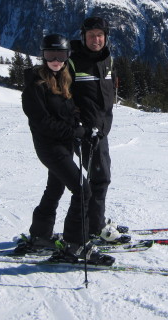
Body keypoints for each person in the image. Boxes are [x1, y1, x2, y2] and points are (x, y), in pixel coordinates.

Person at [16, 33, 114, 266]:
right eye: (51, 55)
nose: (56, 61)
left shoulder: (62, 79)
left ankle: (40, 235)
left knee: (55, 187)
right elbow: (43, 123)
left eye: (60, 55)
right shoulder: (35, 86)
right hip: (50, 148)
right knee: (83, 191)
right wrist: (75, 132)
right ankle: (75, 244)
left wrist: (81, 124)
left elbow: (70, 110)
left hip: (63, 146)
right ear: (42, 56)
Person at [68, 17, 127, 243]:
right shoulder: (73, 62)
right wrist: (79, 126)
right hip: (85, 132)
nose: (96, 39)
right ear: (83, 37)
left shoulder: (106, 59)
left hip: (101, 130)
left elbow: (108, 91)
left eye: (100, 35)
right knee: (99, 178)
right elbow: (64, 97)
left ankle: (95, 221)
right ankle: (95, 227)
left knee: (99, 177)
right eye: (91, 35)